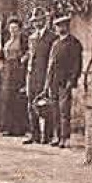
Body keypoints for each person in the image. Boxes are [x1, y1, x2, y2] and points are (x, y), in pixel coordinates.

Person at [47, 14, 85, 148]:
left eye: (62, 25)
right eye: (57, 26)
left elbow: (77, 64)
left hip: (65, 81)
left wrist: (72, 80)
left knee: (64, 111)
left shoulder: (74, 43)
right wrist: (48, 82)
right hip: (54, 81)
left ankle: (65, 137)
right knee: (55, 110)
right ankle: (56, 136)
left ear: (67, 26)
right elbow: (50, 65)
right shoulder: (55, 44)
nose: (59, 28)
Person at [23, 13, 55, 145]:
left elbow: (52, 59)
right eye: (35, 21)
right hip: (32, 74)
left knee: (45, 104)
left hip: (44, 74)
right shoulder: (32, 37)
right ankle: (34, 134)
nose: (37, 23)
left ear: (45, 21)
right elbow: (31, 54)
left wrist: (49, 77)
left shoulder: (52, 37)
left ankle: (47, 135)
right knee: (31, 104)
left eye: (39, 20)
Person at [0, 17, 29, 138]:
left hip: (18, 69)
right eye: (11, 28)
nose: (13, 30)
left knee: (17, 97)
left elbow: (29, 52)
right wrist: (2, 65)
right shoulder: (7, 40)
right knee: (7, 97)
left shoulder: (23, 40)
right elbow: (2, 55)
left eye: (15, 28)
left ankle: (19, 128)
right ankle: (7, 127)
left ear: (20, 29)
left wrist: (22, 60)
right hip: (7, 70)